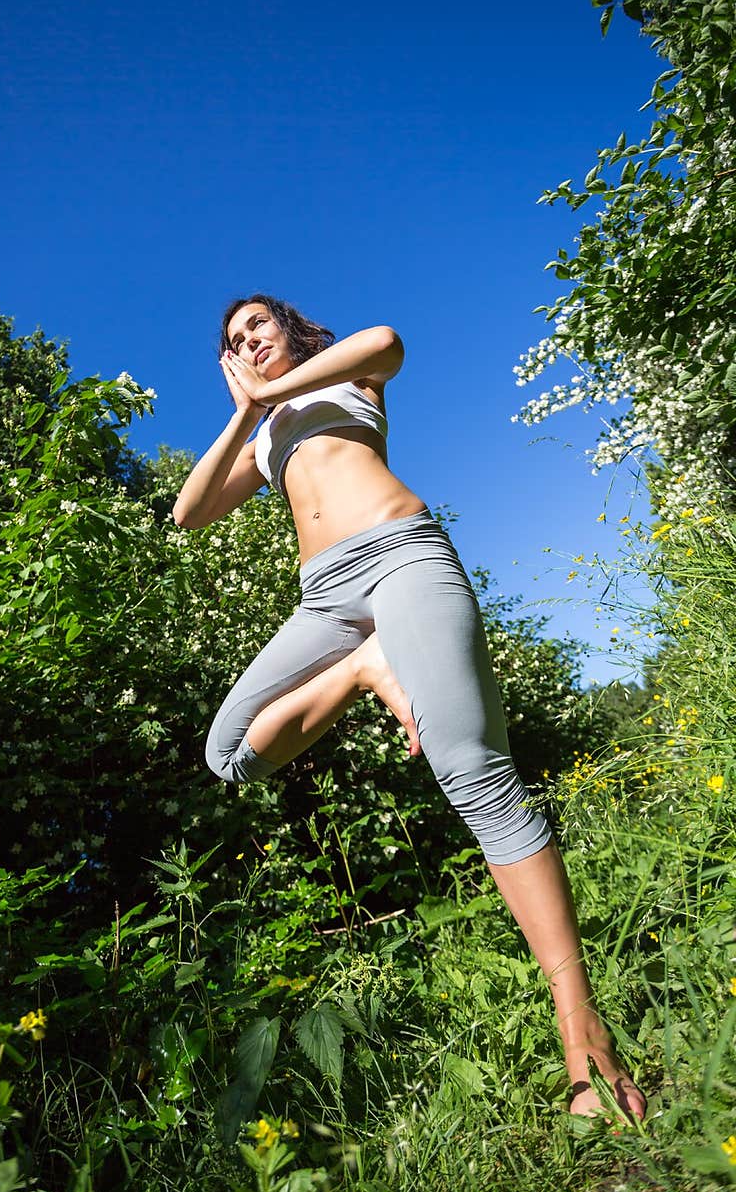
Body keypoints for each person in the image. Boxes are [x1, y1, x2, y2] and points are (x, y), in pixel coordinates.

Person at [172, 293, 646, 1122]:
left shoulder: (345, 378)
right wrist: (243, 417)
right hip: (324, 603)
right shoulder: (265, 433)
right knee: (229, 751)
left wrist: (268, 395)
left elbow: (387, 341)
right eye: (235, 339)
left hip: (400, 557)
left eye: (261, 327)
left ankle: (582, 1033)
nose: (249, 340)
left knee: (473, 774)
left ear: (290, 332)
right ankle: (364, 668)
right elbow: (188, 513)